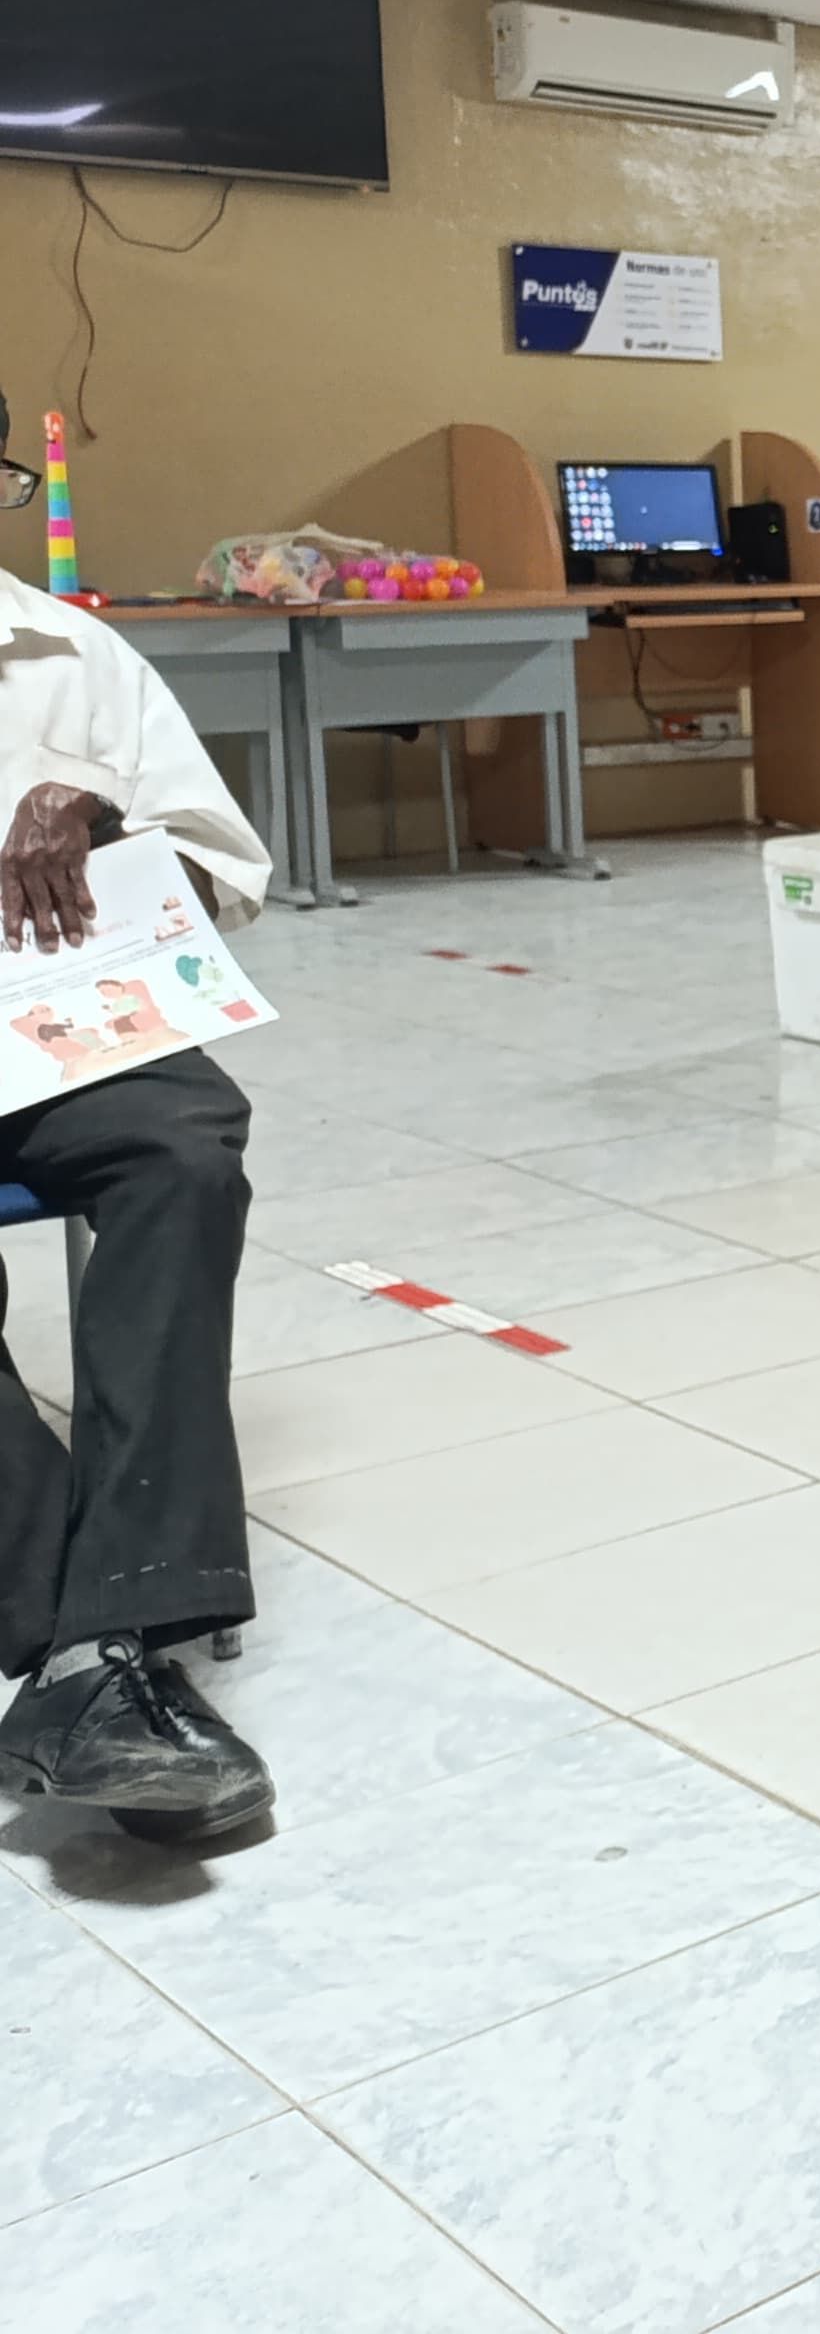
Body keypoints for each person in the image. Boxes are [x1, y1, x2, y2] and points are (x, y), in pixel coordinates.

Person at [0, 554, 277, 1841]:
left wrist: (110, 825)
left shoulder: (71, 654)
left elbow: (226, 874)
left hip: (56, 1023)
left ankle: (95, 1649)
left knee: (183, 1149)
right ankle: (92, 1652)